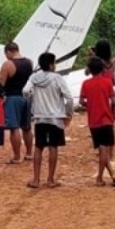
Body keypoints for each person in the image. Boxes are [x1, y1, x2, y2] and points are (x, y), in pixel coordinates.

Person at [23, 52, 73, 189]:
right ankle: (50, 179)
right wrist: (68, 113)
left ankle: (36, 179)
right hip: (55, 118)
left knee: (38, 147)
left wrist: (33, 99)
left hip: (40, 117)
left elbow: (26, 91)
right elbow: (69, 98)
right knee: (53, 147)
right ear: (51, 65)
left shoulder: (34, 77)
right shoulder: (57, 78)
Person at [80, 56, 115, 187]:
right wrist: (112, 115)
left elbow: (82, 101)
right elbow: (114, 102)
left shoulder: (86, 84)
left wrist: (90, 106)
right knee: (104, 150)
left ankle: (113, 175)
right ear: (102, 69)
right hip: (106, 119)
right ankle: (100, 177)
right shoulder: (107, 82)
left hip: (94, 120)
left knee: (102, 149)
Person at [0, 42, 34, 164]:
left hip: (13, 97)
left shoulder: (8, 64)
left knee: (14, 128)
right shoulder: (29, 62)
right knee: (27, 127)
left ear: (9, 51)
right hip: (27, 97)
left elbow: (1, 84)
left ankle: (17, 156)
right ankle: (29, 153)